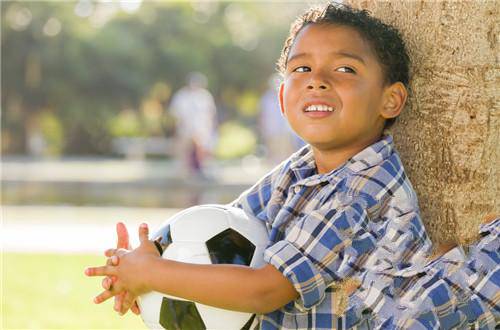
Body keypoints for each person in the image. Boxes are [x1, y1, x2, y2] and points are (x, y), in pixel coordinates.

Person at [84, 3, 499, 329]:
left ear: (391, 100)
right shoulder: (298, 172)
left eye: (345, 69)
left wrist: (155, 274)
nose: (317, 79)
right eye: (301, 68)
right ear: (283, 99)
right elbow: (231, 233)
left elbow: (265, 290)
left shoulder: (362, 190)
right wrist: (142, 267)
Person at [169, 72, 217, 178]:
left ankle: (200, 171)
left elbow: (210, 114)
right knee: (184, 152)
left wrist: (209, 129)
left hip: (201, 130)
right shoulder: (181, 96)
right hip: (185, 130)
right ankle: (183, 173)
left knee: (201, 153)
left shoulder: (205, 96)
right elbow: (176, 114)